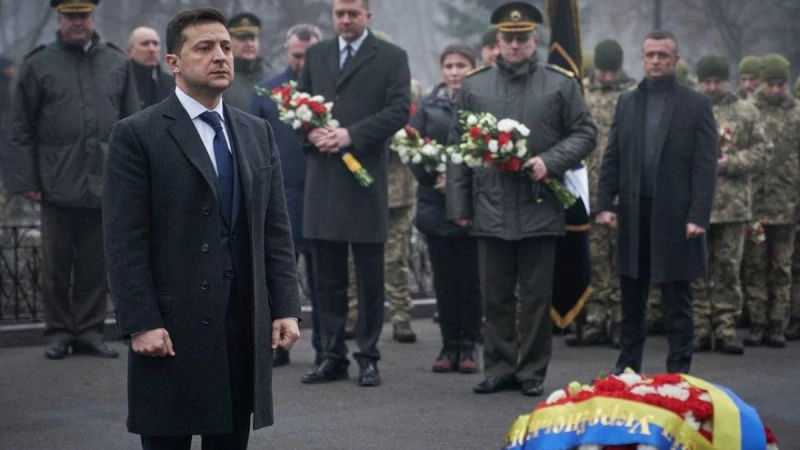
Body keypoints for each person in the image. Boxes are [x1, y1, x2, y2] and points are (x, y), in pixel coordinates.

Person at [104, 8, 301, 449]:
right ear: (173, 62)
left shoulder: (256, 132)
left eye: (226, 47)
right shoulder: (138, 134)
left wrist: (285, 307)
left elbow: (274, 230)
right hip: (171, 328)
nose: (221, 56)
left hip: (240, 327)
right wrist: (140, 322)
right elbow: (124, 239)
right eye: (205, 47)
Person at [448, 2, 596, 397]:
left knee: (535, 297)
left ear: (535, 40)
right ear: (497, 42)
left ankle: (532, 371)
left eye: (523, 38)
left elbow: (585, 133)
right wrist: (459, 206)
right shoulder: (475, 86)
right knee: (494, 296)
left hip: (539, 204)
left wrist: (550, 161)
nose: (515, 45)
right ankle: (499, 368)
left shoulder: (560, 84)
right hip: (490, 205)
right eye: (508, 39)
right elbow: (457, 147)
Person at [8, 0, 139, 360]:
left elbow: (132, 123)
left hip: (104, 181)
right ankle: (59, 332)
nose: (78, 22)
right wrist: (27, 179)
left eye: (84, 15)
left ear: (93, 17)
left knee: (95, 265)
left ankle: (90, 332)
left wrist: (132, 175)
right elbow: (20, 128)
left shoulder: (117, 62)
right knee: (56, 265)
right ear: (59, 18)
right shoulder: (38, 64)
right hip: (55, 182)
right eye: (71, 16)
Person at [298, 0, 410, 388]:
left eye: (353, 13)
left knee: (368, 279)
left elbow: (399, 110)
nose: (345, 20)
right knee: (326, 277)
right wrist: (311, 133)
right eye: (339, 13)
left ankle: (368, 356)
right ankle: (332, 356)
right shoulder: (317, 54)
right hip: (324, 178)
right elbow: (298, 104)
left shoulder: (391, 57)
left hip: (365, 179)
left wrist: (351, 135)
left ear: (368, 16)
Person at [597, 30, 717, 375]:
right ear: (642, 58)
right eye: (650, 54)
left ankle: (678, 371)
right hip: (634, 213)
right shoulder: (627, 102)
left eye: (663, 55)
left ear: (675, 60)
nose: (655, 61)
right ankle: (627, 367)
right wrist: (605, 203)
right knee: (631, 295)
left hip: (677, 215)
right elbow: (612, 156)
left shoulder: (696, 104)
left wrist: (699, 215)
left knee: (677, 297)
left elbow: (705, 166)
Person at [249, 23, 323, 367]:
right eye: (296, 56)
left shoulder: (330, 90)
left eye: (309, 56)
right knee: (278, 275)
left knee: (325, 279)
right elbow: (253, 145)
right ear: (286, 52)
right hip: (281, 195)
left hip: (322, 196)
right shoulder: (266, 92)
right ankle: (277, 346)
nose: (302, 62)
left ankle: (327, 349)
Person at [409, 43, 482, 373]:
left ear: (473, 68)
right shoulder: (428, 105)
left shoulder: (481, 103)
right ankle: (448, 344)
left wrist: (461, 183)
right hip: (436, 204)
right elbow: (410, 146)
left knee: (470, 281)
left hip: (471, 208)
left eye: (461, 65)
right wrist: (432, 176)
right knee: (444, 282)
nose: (455, 72)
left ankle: (469, 346)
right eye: (449, 66)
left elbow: (488, 149)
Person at [691, 55, 771, 355]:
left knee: (727, 268)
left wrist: (731, 162)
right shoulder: (689, 108)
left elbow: (764, 151)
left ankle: (725, 328)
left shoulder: (746, 111)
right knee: (696, 270)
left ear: (728, 80)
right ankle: (699, 328)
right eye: (707, 82)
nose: (712, 87)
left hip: (732, 205)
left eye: (718, 81)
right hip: (695, 205)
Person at [567, 39, 635, 348]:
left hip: (622, 189)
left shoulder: (632, 94)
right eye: (603, 71)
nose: (607, 77)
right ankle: (595, 318)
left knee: (620, 258)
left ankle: (620, 319)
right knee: (594, 258)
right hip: (587, 188)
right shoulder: (582, 93)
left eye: (612, 71)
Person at [741, 54, 800, 349]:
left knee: (781, 267)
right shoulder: (749, 112)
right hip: (754, 206)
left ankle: (777, 322)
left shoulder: (796, 114)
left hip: (786, 205)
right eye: (770, 84)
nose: (776, 90)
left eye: (781, 85)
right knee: (754, 265)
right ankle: (757, 322)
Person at [223, 13, 269, 111]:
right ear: (228, 42)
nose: (249, 44)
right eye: (242, 39)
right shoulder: (221, 77)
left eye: (252, 38)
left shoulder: (271, 75)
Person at [127, 26, 174, 110]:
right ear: (130, 51)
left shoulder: (172, 83)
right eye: (145, 44)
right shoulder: (121, 82)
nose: (152, 49)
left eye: (155, 44)